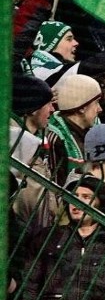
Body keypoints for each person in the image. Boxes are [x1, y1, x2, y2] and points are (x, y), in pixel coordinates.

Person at [23, 174, 105, 300]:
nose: (76, 203)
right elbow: (30, 286)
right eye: (74, 197)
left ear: (101, 203)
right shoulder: (48, 238)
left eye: (86, 197)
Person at [9, 74, 58, 234]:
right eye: (48, 104)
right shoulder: (17, 145)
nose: (52, 109)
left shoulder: (32, 141)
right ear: (33, 109)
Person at [46, 74, 103, 184]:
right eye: (96, 102)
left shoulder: (97, 128)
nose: (100, 109)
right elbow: (55, 186)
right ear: (82, 107)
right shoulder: (55, 137)